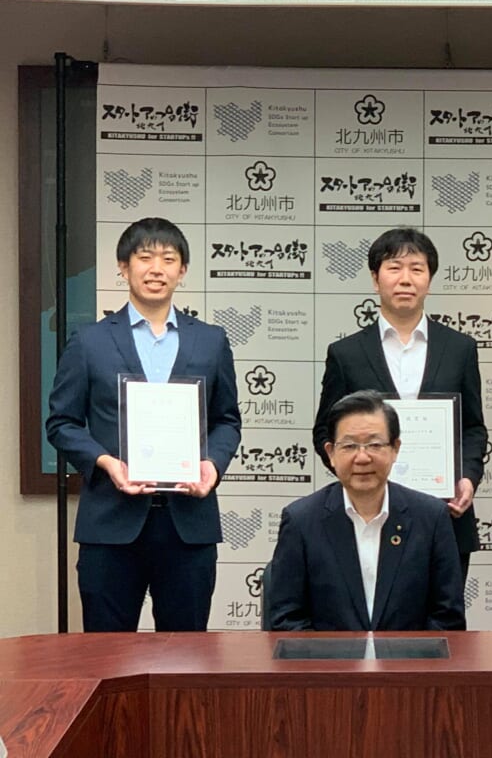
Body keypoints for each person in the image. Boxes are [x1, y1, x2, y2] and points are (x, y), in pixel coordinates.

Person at [46, 217, 241, 632]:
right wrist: (106, 463)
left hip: (188, 523)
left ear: (182, 271)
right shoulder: (90, 341)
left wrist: (212, 464)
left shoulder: (211, 341)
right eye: (145, 257)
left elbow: (226, 419)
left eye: (169, 259)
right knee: (107, 655)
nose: (157, 269)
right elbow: (62, 422)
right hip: (110, 524)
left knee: (186, 654)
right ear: (123, 267)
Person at [312, 228, 487, 584]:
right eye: (394, 268)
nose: (405, 279)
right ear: (375, 279)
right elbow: (324, 433)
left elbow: (473, 427)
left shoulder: (460, 348)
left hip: (445, 513)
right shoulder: (346, 354)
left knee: (443, 614)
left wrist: (467, 478)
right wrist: (359, 478)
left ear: (429, 280)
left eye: (416, 268)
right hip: (366, 513)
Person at [269, 390, 465, 631]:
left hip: (410, 656)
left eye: (374, 444)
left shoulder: (431, 518)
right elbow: (287, 620)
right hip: (327, 656)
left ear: (395, 449)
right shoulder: (301, 520)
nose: (362, 458)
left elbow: (448, 619)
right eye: (349, 446)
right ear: (331, 453)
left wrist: (412, 656)